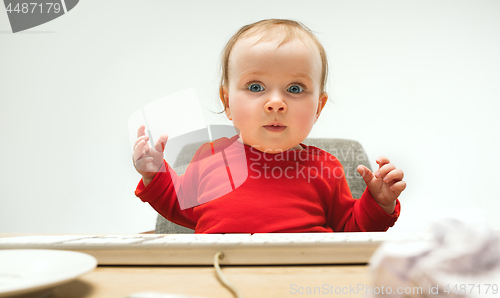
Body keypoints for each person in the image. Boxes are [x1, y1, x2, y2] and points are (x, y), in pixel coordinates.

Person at [132, 19, 406, 234]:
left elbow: (351, 230)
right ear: (227, 102)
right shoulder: (211, 157)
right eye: (255, 87)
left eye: (295, 88)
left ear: (318, 109)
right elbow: (179, 204)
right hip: (216, 277)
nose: (276, 103)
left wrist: (379, 203)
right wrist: (155, 175)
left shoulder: (327, 168)